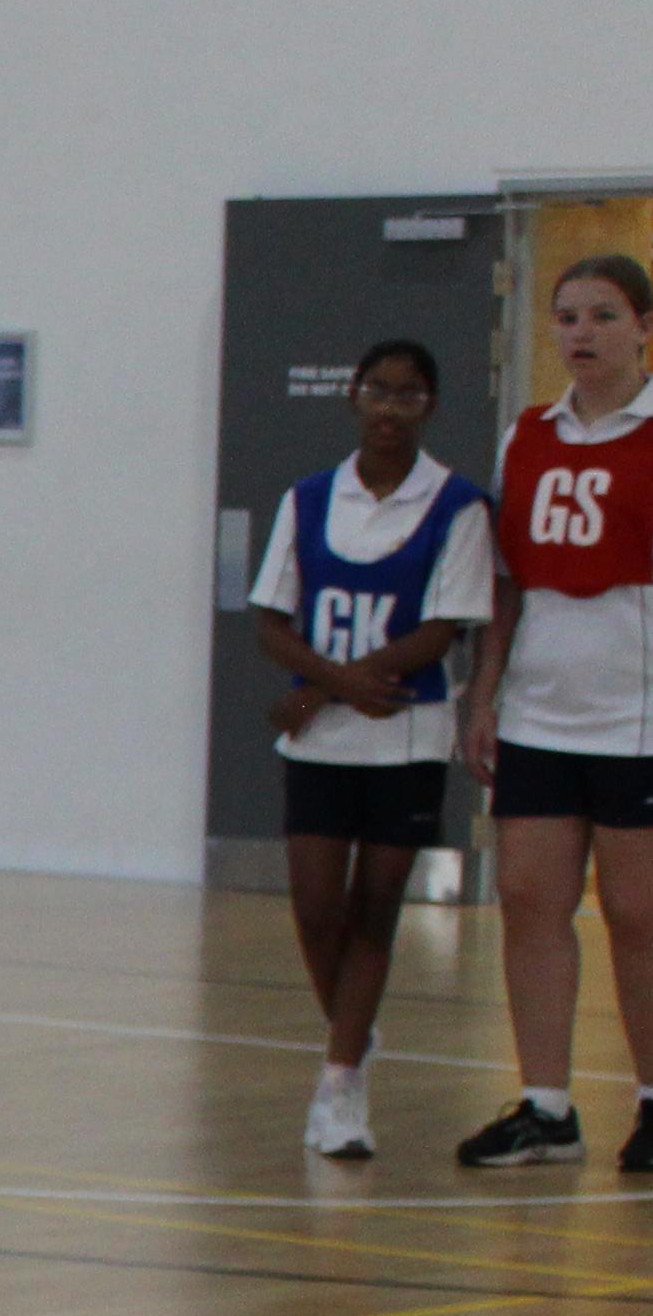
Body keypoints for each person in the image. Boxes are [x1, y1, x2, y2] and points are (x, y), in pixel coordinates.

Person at [246, 339, 488, 1160]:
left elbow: (441, 629)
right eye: (377, 390)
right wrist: (332, 688)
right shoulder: (310, 498)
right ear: (353, 395)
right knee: (318, 909)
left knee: (376, 909)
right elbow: (271, 620)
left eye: (408, 394)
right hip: (322, 742)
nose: (390, 407)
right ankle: (353, 1029)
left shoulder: (458, 505)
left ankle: (341, 1083)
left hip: (407, 734)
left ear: (430, 406)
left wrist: (325, 687)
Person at [459, 254, 653, 1171]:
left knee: (638, 912)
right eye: (567, 316)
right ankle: (546, 1106)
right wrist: (484, 691)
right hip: (540, 710)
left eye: (603, 316)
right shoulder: (526, 436)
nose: (582, 333)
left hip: (638, 715)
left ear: (644, 328)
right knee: (530, 900)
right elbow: (505, 579)